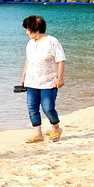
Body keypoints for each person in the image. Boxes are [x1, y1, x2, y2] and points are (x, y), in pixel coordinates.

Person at [20, 15, 65, 143]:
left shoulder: (52, 41)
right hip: (31, 81)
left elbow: (61, 60)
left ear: (35, 29)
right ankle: (38, 134)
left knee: (48, 108)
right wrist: (23, 76)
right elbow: (28, 61)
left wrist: (60, 78)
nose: (26, 32)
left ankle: (56, 127)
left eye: (28, 29)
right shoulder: (30, 43)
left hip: (49, 81)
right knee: (32, 107)